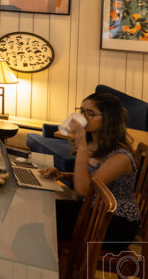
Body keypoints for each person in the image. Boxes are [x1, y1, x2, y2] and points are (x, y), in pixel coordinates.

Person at [41, 92, 141, 250]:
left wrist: (81, 146)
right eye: (82, 111)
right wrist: (63, 175)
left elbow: (83, 190)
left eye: (91, 114)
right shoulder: (94, 143)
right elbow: (93, 179)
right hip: (92, 210)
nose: (83, 117)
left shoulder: (121, 156)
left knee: (44, 223)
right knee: (42, 211)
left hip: (115, 223)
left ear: (109, 119)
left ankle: (55, 269)